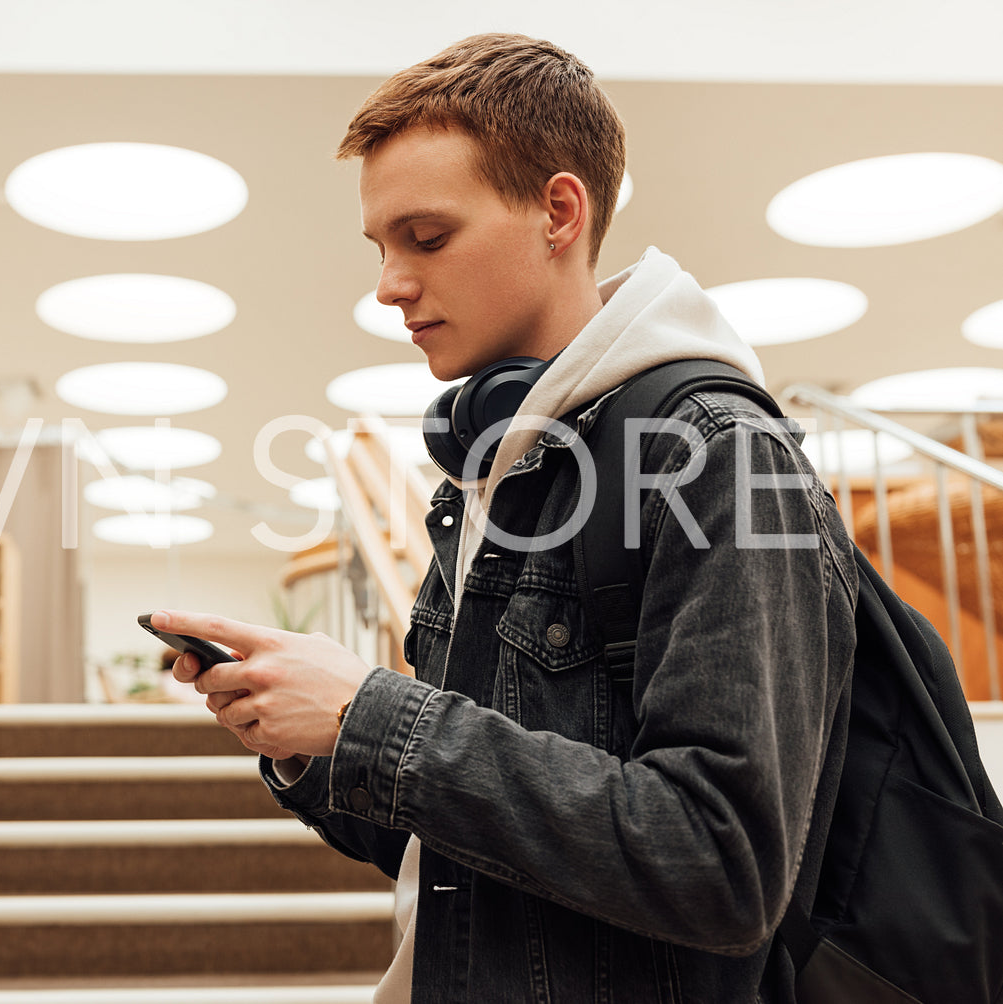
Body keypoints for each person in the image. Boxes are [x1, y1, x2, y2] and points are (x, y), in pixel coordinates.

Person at [151, 32, 857, 1003]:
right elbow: (465, 831)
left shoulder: (720, 457)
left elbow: (719, 863)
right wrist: (309, 739)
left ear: (557, 211)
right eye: (381, 245)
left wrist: (374, 713)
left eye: (426, 237)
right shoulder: (492, 475)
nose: (389, 283)